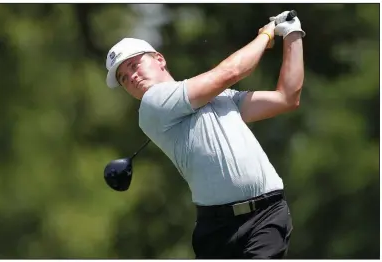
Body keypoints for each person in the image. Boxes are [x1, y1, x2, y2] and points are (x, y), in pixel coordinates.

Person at [104, 10, 305, 259]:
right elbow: (230, 72)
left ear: (159, 59)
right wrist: (266, 34)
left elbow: (286, 98)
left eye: (134, 65)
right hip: (216, 228)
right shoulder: (152, 105)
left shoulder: (219, 97)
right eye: (123, 78)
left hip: (267, 214)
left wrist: (292, 33)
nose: (132, 77)